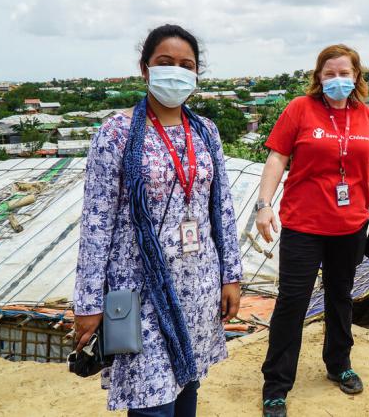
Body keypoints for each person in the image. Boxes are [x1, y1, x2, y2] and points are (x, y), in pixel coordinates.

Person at [73, 24, 243, 416]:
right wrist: (88, 302)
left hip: (197, 286)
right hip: (139, 289)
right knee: (151, 404)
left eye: (186, 65)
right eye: (165, 63)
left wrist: (231, 276)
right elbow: (97, 222)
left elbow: (222, 209)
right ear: (145, 69)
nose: (176, 71)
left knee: (187, 391)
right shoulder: (116, 133)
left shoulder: (205, 132)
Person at [255, 44, 369, 417]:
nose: (337, 79)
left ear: (356, 77)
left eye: (344, 73)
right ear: (318, 77)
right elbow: (277, 158)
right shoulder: (300, 109)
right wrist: (264, 205)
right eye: (329, 73)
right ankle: (277, 385)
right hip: (304, 224)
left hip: (350, 224)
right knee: (292, 302)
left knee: (340, 296)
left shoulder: (365, 115)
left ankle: (339, 364)